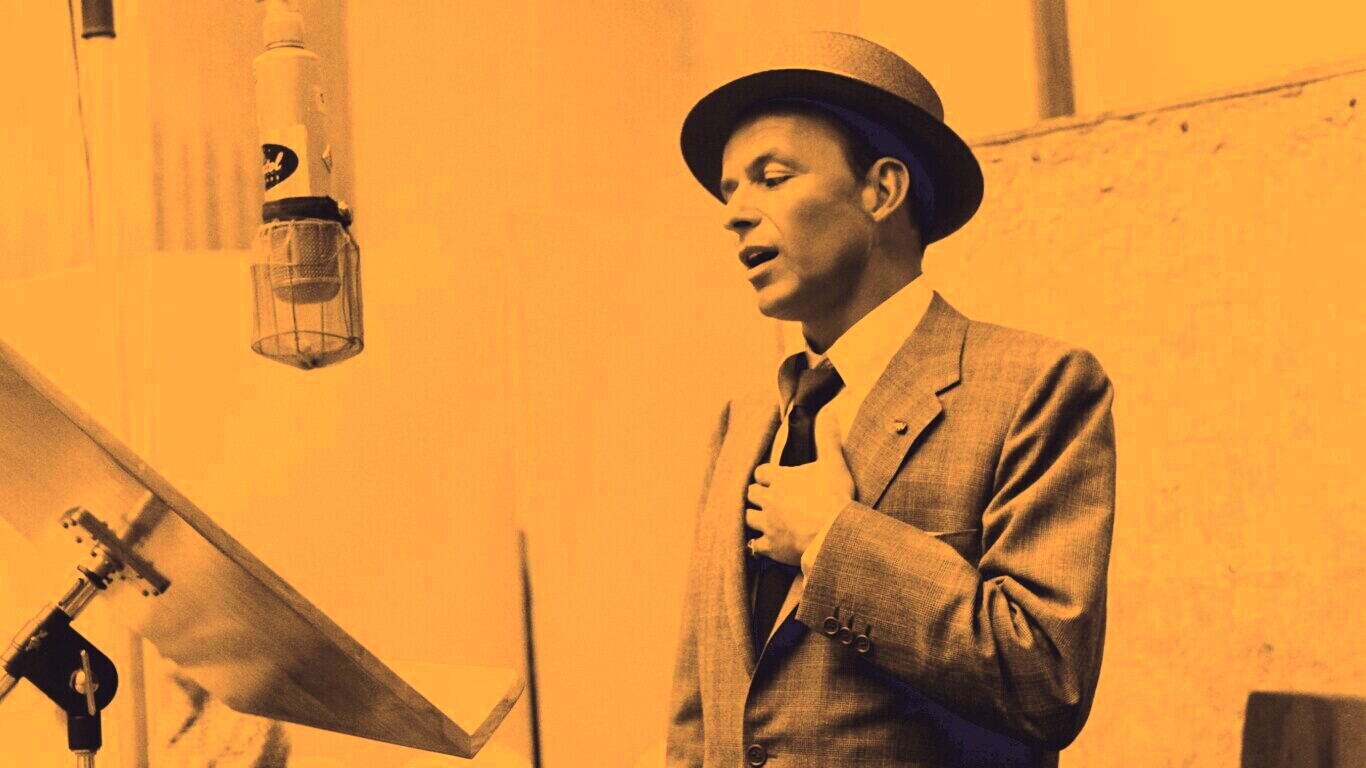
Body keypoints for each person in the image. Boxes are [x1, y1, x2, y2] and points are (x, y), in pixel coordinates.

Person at [667, 31, 1116, 768]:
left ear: (881, 190)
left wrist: (832, 539)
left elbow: (1046, 681)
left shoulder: (1037, 386)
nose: (736, 213)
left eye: (771, 178)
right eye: (730, 190)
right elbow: (699, 706)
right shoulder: (744, 418)